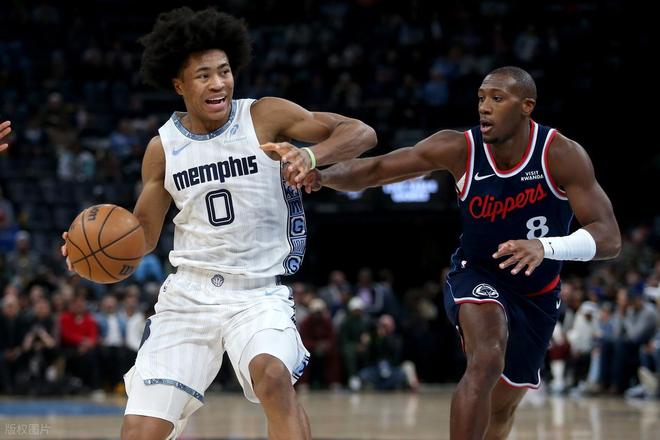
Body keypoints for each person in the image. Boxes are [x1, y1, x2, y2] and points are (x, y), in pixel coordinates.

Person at [1, 6, 378, 440]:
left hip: (257, 294)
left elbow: (361, 133)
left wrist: (311, 155)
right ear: (179, 84)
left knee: (273, 378)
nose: (218, 83)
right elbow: (142, 235)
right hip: (189, 296)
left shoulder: (265, 116)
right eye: (204, 75)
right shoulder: (163, 148)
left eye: (224, 71)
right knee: (140, 432)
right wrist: (89, 251)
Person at [274, 66, 621, 439]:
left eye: (497, 99)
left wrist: (545, 246)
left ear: (526, 106)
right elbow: (377, 168)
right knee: (486, 358)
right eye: (481, 98)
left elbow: (609, 237)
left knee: (502, 410)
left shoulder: (560, 154)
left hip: (537, 293)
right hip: (478, 274)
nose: (484, 107)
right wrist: (324, 176)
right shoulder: (460, 148)